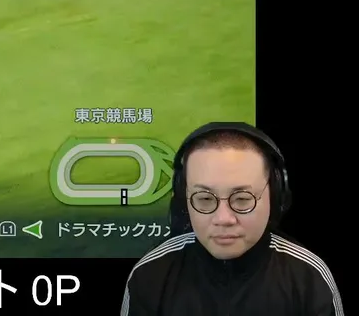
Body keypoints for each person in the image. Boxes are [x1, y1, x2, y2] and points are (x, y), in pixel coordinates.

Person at [121, 122, 342, 316]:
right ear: (183, 198)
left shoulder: (309, 278)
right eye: (205, 199)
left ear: (275, 197)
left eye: (242, 199)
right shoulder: (149, 276)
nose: (223, 218)